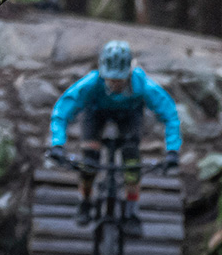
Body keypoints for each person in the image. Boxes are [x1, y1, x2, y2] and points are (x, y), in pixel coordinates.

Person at [48, 39, 181, 239]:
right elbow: (63, 109)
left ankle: (131, 211)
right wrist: (57, 144)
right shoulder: (92, 83)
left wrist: (172, 150)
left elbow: (169, 114)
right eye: (110, 79)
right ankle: (85, 201)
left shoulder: (141, 85)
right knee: (89, 162)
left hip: (129, 115)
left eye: (120, 79)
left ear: (129, 72)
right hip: (96, 114)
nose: (115, 84)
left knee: (132, 162)